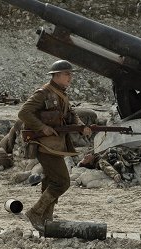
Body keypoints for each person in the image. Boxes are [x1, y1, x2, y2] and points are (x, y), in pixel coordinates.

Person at [18, 60, 91, 232]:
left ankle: (46, 220)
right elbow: (23, 112)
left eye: (70, 74)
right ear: (56, 75)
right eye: (67, 74)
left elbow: (71, 114)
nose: (70, 77)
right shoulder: (43, 93)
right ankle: (35, 212)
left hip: (55, 145)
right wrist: (42, 127)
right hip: (43, 145)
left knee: (51, 181)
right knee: (63, 182)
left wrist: (82, 127)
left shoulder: (61, 94)